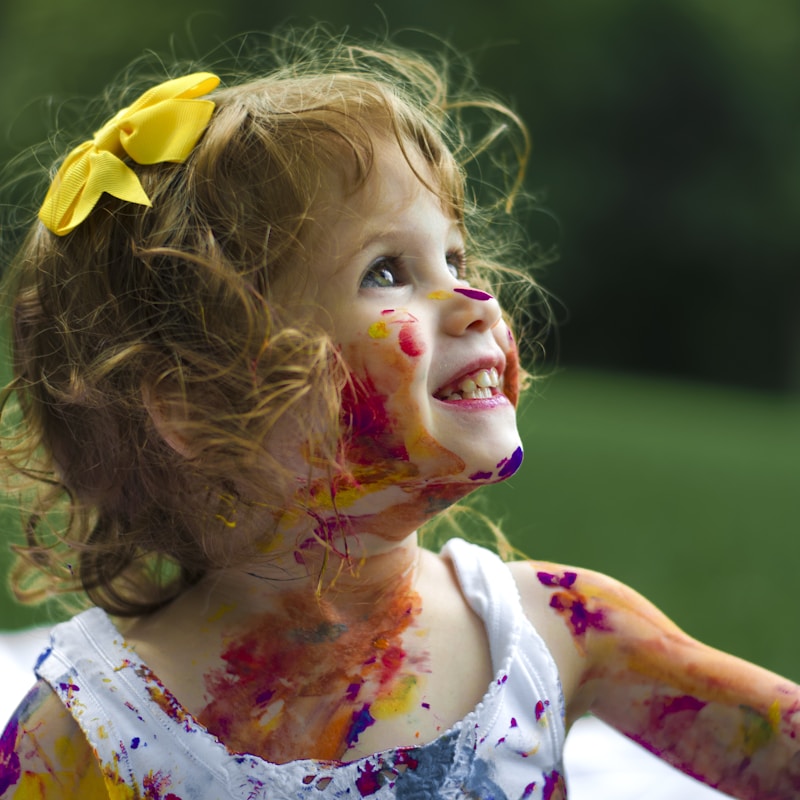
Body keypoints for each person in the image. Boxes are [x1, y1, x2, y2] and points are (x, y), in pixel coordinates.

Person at [0, 29, 798, 800]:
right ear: (198, 405)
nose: (475, 299)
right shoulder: (97, 727)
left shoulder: (551, 630)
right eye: (386, 271)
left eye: (455, 257)